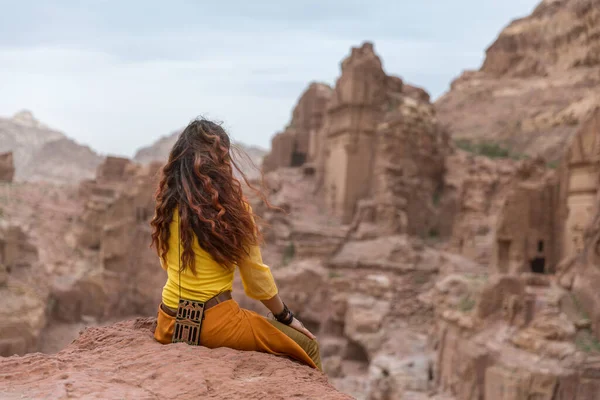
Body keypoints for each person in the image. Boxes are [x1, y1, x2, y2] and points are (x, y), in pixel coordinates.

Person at [151, 118, 321, 370]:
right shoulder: (232, 210)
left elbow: (167, 262)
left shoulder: (167, 205)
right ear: (220, 162)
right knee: (308, 347)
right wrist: (286, 317)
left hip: (168, 322)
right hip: (215, 325)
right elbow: (255, 277)